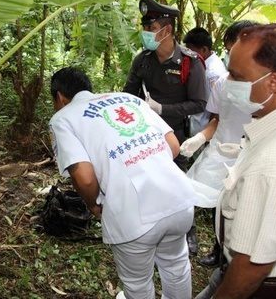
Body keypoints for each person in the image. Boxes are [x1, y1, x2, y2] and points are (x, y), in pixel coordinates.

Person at [49, 67, 196, 299]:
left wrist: (94, 206)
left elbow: (85, 177)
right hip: (179, 199)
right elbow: (174, 146)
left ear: (59, 97)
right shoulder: (128, 99)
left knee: (138, 284)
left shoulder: (63, 118)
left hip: (134, 214)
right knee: (176, 268)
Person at [196, 23, 276, 298]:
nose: (229, 84)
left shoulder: (272, 164)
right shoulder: (272, 127)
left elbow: (251, 267)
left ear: (272, 82)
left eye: (236, 76)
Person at [123, 0, 207, 255]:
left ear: (166, 30)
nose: (146, 33)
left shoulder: (189, 62)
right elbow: (129, 93)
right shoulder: (143, 60)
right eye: (145, 28)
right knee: (148, 183)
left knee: (180, 185)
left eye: (150, 28)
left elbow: (199, 103)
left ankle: (188, 232)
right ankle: (150, 228)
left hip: (176, 135)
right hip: (145, 135)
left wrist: (162, 110)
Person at [180, 21, 257, 268]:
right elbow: (217, 119)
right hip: (221, 152)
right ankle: (218, 249)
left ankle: (237, 258)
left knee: (244, 211)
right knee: (218, 208)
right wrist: (200, 138)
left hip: (251, 157)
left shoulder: (269, 85)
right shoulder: (222, 83)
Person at [183, 27, 227, 135]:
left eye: (190, 49)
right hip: (198, 127)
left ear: (203, 50)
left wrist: (207, 135)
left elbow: (217, 109)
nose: (187, 53)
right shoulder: (201, 65)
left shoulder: (213, 73)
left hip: (204, 131)